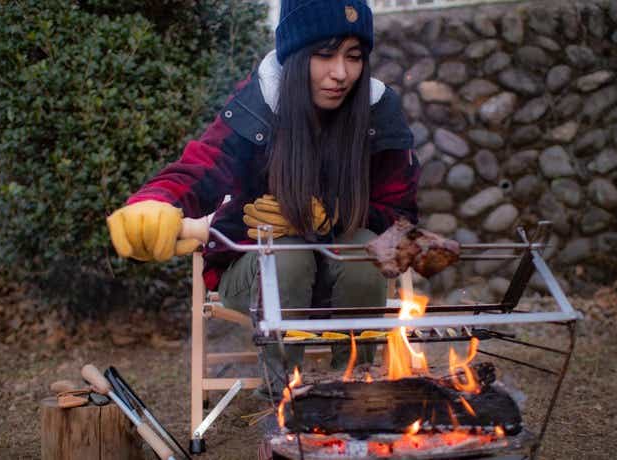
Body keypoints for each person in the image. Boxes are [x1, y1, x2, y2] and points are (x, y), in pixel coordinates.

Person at [106, 0, 420, 393]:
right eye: (324, 55)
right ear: (294, 55)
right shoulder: (259, 104)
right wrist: (152, 204)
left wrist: (334, 215)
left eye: (353, 57)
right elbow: (199, 169)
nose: (340, 73)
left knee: (359, 247)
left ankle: (354, 388)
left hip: (349, 273)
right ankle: (286, 394)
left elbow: (403, 221)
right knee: (285, 251)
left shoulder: (378, 110)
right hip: (256, 271)